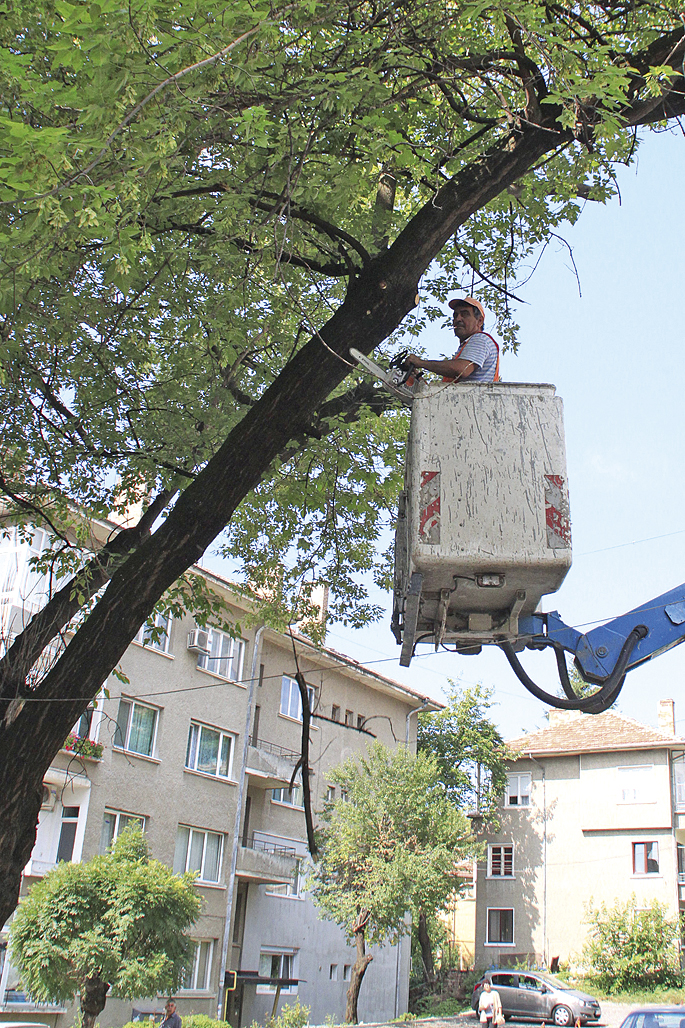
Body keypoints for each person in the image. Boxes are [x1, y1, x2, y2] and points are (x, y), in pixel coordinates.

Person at [406, 296, 500, 383]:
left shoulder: (480, 339)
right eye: (455, 315)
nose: (458, 319)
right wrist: (418, 378)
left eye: (465, 314)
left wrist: (420, 363)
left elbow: (461, 370)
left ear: (479, 321)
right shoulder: (466, 349)